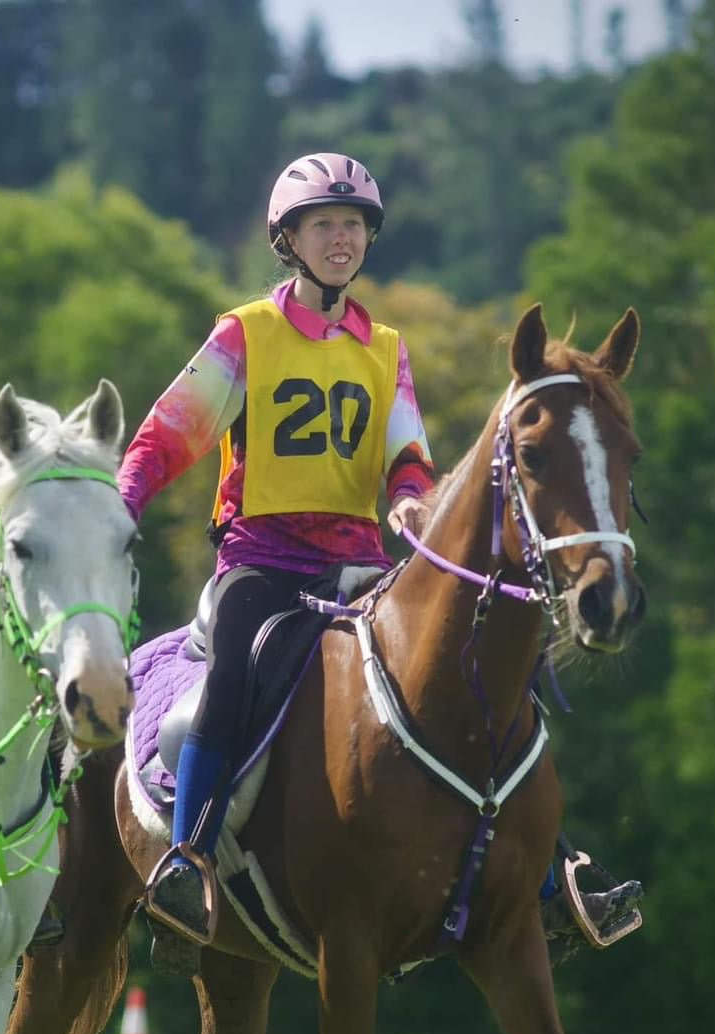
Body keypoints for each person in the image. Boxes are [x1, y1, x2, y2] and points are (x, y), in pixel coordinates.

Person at [121, 152, 641, 954]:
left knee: (492, 665)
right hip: (261, 559)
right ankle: (187, 858)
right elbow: (170, 433)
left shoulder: (385, 345)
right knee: (232, 671)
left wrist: (408, 495)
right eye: (324, 225)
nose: (342, 239)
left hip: (359, 559)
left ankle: (551, 872)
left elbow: (407, 457)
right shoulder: (244, 334)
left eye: (355, 226)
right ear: (288, 241)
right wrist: (122, 501)